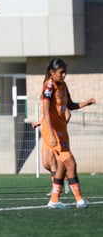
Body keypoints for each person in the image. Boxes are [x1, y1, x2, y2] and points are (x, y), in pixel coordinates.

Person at [40, 58, 96, 209]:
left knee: (62, 166)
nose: (64, 75)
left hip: (62, 130)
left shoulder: (63, 85)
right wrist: (51, 135)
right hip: (52, 131)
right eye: (61, 72)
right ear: (52, 73)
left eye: (65, 72)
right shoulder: (49, 87)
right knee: (71, 163)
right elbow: (45, 112)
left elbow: (70, 105)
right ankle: (79, 200)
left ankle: (54, 200)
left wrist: (86, 102)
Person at [32, 108, 71, 195]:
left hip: (53, 137)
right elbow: (46, 119)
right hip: (45, 137)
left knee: (52, 162)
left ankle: (56, 190)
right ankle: (65, 177)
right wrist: (39, 123)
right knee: (46, 165)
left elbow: (68, 114)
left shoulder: (57, 100)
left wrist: (61, 127)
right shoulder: (45, 101)